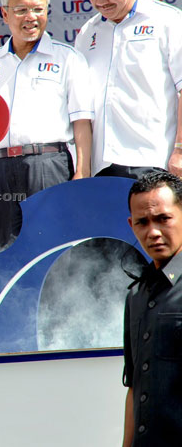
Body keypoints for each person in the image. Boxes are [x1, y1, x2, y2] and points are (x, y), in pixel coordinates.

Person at [0, 0, 93, 249]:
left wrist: (82, 172)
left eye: (38, 9)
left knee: (52, 251)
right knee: (5, 253)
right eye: (21, 10)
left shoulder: (67, 58)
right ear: (4, 14)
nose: (31, 17)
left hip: (48, 166)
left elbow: (82, 122)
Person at [76, 0, 182, 179]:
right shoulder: (87, 33)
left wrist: (180, 151)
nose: (99, 1)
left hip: (154, 160)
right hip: (103, 168)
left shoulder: (168, 22)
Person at [124, 171, 182, 446]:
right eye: (142, 222)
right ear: (131, 225)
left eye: (163, 219)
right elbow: (134, 386)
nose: (153, 232)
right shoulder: (135, 295)